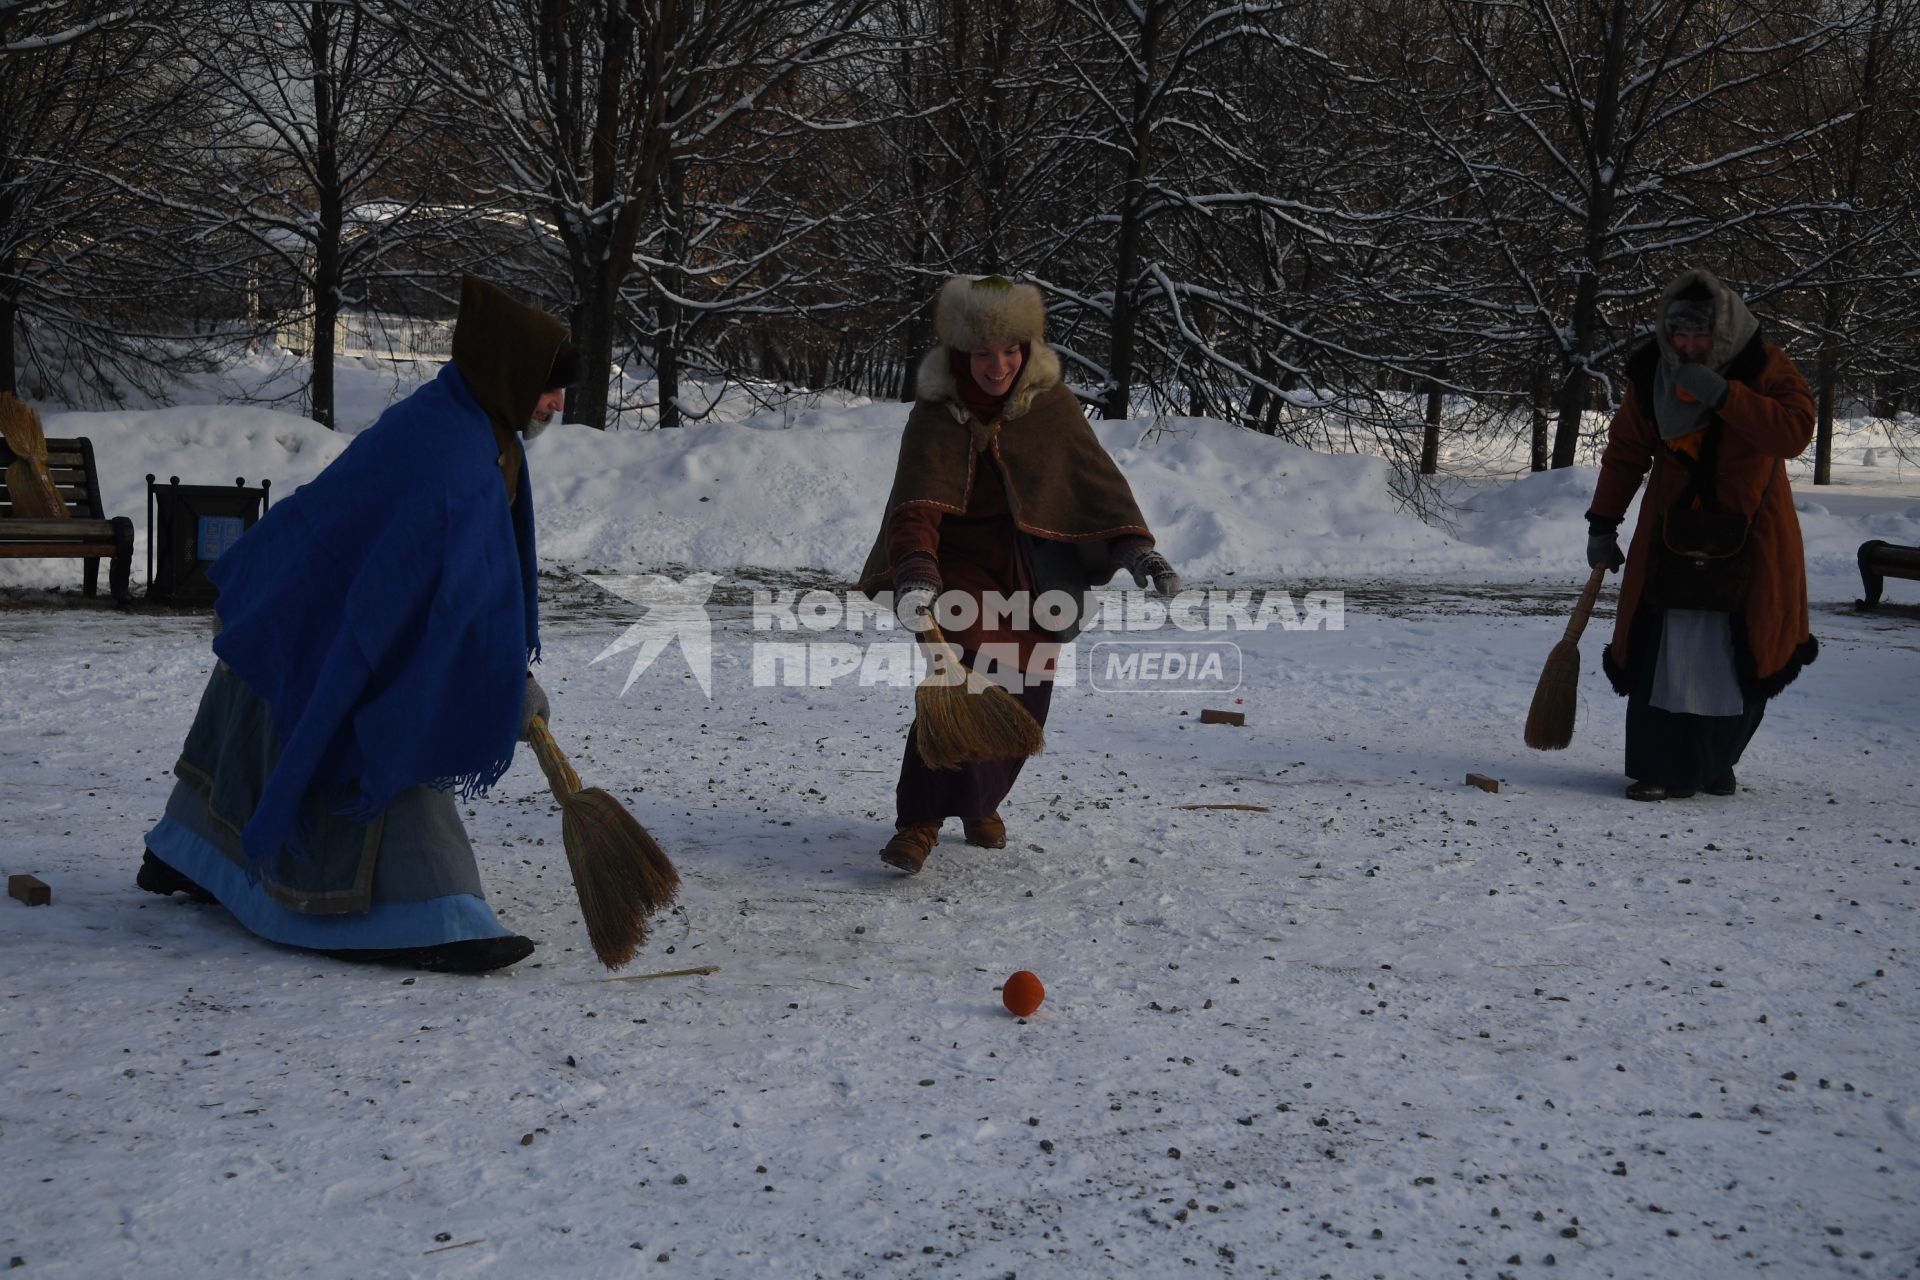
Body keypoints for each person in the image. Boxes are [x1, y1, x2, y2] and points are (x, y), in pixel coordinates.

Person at [137, 276, 582, 971]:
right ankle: (442, 917)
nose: (556, 405)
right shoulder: (456, 462)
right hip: (320, 610)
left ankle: (182, 856)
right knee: (384, 738)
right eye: (547, 387)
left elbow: (456, 587)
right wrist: (501, 680)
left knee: (247, 724)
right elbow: (439, 612)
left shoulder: (467, 420)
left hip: (303, 595)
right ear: (509, 374)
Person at [856, 274, 1178, 873]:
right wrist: (917, 572)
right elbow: (916, 506)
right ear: (960, 352)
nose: (998, 364)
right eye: (983, 352)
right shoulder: (935, 410)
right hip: (956, 566)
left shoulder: (1050, 403)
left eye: (1011, 350)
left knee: (1025, 691)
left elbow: (1096, 488)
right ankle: (920, 822)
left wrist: (1138, 551)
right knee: (963, 679)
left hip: (1034, 568)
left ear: (1028, 348)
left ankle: (981, 805)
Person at [1584, 267, 1817, 801]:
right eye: (1678, 335)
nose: (1688, 347)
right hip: (1671, 539)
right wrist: (1603, 522)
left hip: (1751, 538)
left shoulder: (1763, 365)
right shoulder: (1652, 373)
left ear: (1724, 331)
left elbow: (1794, 432)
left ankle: (1714, 762)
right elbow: (1625, 451)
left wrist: (1724, 395)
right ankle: (1663, 768)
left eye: (1700, 336)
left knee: (1739, 655)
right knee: (1666, 653)